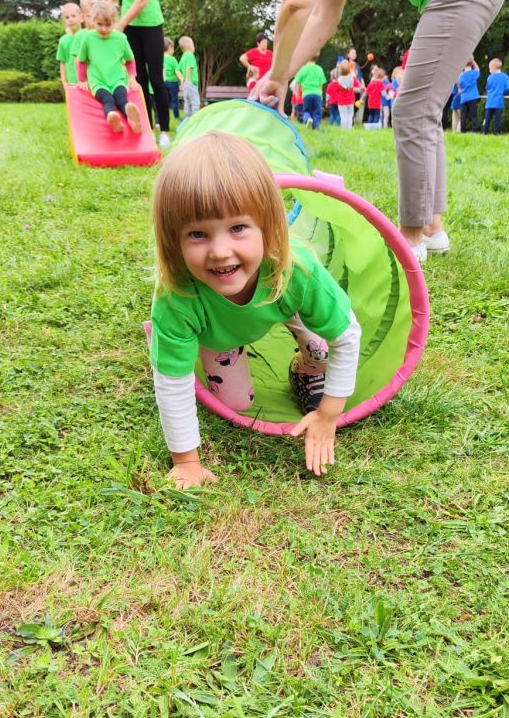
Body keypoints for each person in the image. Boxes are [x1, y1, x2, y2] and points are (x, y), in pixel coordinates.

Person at [248, 0, 508, 262]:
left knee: (412, 109)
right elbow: (323, 16)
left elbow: (296, 3)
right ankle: (431, 229)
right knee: (422, 108)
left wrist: (275, 73)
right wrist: (282, 75)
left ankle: (409, 241)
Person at [148, 132, 362, 489]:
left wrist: (328, 414)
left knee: (322, 351)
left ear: (267, 226)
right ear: (174, 241)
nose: (220, 251)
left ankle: (303, 369)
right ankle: (168, 341)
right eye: (198, 234)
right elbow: (172, 383)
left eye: (238, 228)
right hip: (220, 333)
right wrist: (187, 462)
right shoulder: (177, 297)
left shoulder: (298, 270)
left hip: (279, 300)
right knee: (237, 401)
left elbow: (347, 335)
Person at [107, 0, 171, 148]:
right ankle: (146, 129)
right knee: (138, 80)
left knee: (156, 79)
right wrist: (106, 22)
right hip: (129, 29)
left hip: (150, 25)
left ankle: (164, 131)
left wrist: (121, 23)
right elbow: (113, 0)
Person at [76, 0, 142, 135]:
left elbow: (130, 60)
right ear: (93, 21)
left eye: (108, 25)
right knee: (107, 99)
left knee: (121, 98)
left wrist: (132, 78)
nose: (104, 29)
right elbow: (82, 61)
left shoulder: (121, 38)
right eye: (99, 24)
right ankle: (113, 118)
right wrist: (82, 80)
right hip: (98, 82)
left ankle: (132, 120)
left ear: (114, 22)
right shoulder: (88, 38)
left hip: (117, 79)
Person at [56, 2, 83, 92]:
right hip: (71, 84)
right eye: (67, 17)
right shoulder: (63, 40)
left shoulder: (87, 36)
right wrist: (64, 82)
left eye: (73, 16)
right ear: (64, 21)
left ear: (81, 17)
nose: (71, 20)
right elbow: (62, 62)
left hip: (87, 83)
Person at [294, 53, 325, 129]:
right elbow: (321, 83)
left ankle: (308, 119)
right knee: (317, 112)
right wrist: (320, 93)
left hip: (306, 94)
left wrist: (297, 94)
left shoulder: (303, 69)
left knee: (306, 110)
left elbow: (297, 82)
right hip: (317, 94)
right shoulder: (319, 69)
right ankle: (316, 126)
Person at [483, 58, 509, 134]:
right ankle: (498, 133)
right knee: (498, 119)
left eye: (490, 68)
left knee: (487, 119)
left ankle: (485, 132)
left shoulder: (490, 77)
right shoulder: (505, 76)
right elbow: (508, 88)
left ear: (494, 67)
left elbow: (487, 88)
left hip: (490, 102)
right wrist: (502, 92)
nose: (489, 70)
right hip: (499, 102)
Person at [177, 35, 200, 118]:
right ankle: (195, 119)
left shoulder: (183, 57)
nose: (194, 47)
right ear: (189, 46)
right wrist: (188, 79)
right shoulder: (190, 55)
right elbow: (189, 67)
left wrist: (182, 80)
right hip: (191, 84)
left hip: (185, 85)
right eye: (193, 45)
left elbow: (177, 70)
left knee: (187, 103)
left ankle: (188, 118)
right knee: (195, 103)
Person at [458, 59, 481, 132]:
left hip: (463, 98)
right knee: (473, 115)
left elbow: (458, 85)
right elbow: (478, 69)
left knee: (463, 116)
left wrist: (459, 88)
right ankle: (474, 130)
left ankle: (462, 130)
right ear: (471, 64)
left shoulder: (461, 75)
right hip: (472, 97)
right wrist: (473, 61)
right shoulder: (473, 73)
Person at [163, 37, 181, 121]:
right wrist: (181, 79)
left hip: (163, 82)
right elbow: (177, 71)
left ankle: (165, 117)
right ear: (170, 47)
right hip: (173, 83)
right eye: (173, 48)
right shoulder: (173, 59)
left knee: (165, 101)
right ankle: (176, 116)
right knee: (174, 100)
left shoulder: (160, 58)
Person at [336, 60, 356, 128]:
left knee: (343, 116)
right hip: (350, 100)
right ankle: (349, 128)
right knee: (350, 116)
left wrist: (338, 67)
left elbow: (337, 90)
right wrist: (352, 69)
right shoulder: (352, 78)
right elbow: (353, 74)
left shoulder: (339, 80)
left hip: (341, 101)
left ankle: (344, 129)